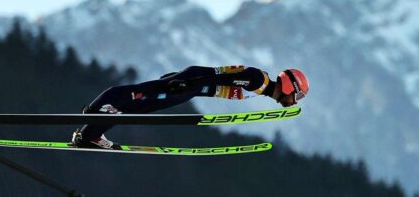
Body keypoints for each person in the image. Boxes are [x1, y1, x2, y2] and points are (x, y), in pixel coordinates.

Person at [71, 65, 310, 149]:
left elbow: (216, 78)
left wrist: (186, 82)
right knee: (138, 93)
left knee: (137, 107)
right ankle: (96, 110)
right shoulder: (258, 80)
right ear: (290, 86)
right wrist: (183, 82)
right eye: (296, 96)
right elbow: (217, 78)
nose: (293, 101)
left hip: (190, 87)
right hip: (189, 85)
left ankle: (89, 135)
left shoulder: (261, 84)